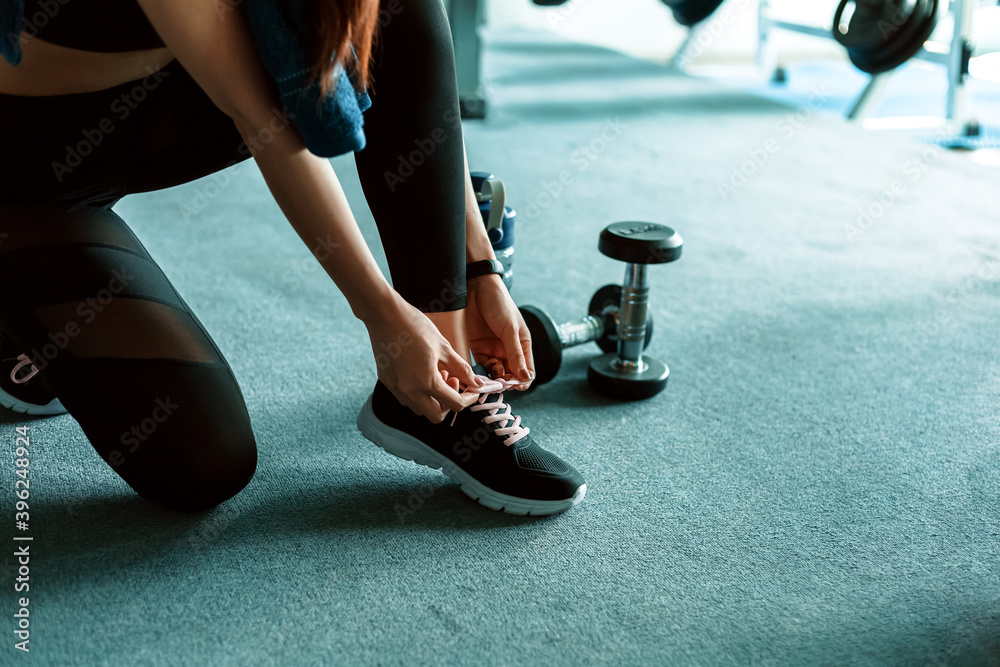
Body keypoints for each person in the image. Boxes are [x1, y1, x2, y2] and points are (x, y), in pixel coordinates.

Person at [0, 0, 586, 515]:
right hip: (20, 177)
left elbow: (371, 56)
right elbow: (267, 122)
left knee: (392, 9)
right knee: (204, 463)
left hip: (132, 117)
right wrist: (382, 315)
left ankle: (439, 400)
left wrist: (477, 269)